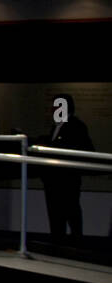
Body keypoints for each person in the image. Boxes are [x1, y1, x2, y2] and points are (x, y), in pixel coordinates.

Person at [39, 94, 94, 242]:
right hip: (53, 178)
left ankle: (76, 242)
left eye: (56, 106)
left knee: (70, 210)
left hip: (67, 178)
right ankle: (58, 240)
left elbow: (76, 148)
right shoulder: (56, 127)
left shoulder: (76, 126)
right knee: (55, 212)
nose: (52, 110)